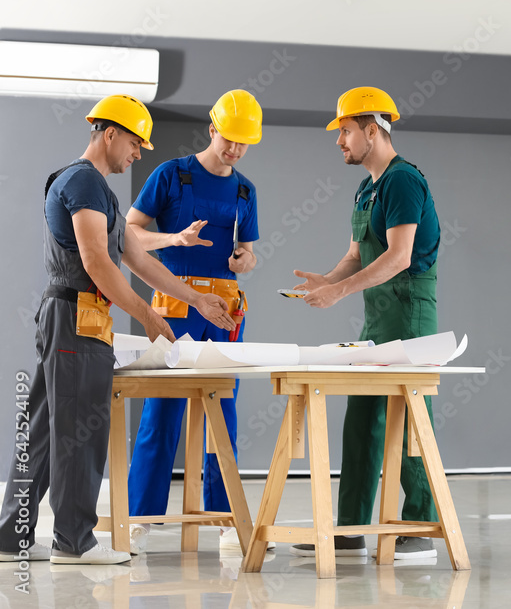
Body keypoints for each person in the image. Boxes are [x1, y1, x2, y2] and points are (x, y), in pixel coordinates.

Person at [0, 95, 235, 565]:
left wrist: (195, 300)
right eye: (134, 140)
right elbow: (96, 262)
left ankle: (11, 535)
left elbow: (137, 258)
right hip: (77, 319)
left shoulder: (98, 191)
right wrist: (148, 317)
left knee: (46, 430)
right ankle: (74, 542)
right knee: (77, 429)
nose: (139, 151)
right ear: (109, 134)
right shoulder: (84, 182)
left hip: (70, 318)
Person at [291, 86, 442, 560]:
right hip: (377, 315)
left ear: (371, 130)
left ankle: (420, 527)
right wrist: (328, 279)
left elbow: (398, 258)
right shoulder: (367, 187)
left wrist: (339, 291)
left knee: (410, 419)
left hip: (409, 311)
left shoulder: (402, 182)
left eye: (346, 131)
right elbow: (357, 254)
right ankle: (351, 526)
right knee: (362, 418)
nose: (339, 141)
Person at [124, 89, 262, 554]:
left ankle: (226, 519)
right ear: (212, 129)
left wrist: (246, 258)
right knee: (161, 410)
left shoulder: (246, 190)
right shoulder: (170, 175)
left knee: (222, 411)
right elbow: (130, 234)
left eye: (244, 144)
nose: (235, 150)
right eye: (229, 139)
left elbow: (248, 251)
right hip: (174, 305)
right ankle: (140, 517)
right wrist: (175, 239)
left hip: (224, 311)